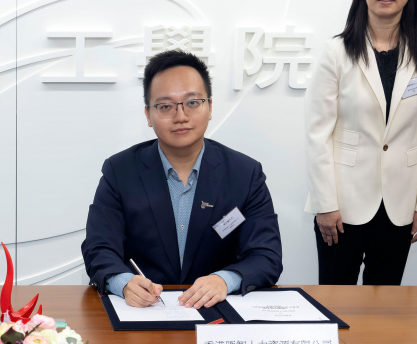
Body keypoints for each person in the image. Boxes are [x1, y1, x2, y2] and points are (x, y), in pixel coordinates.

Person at [82, 50, 282, 308]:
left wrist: (224, 280)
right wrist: (123, 282)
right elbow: (99, 248)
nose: (180, 116)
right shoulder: (119, 171)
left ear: (209, 107)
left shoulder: (245, 174)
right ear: (148, 114)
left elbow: (266, 255)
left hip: (218, 312)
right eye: (165, 106)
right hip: (144, 312)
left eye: (192, 102)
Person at [305, 0, 417, 285]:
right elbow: (317, 134)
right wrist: (325, 203)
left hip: (401, 203)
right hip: (342, 202)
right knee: (335, 298)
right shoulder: (336, 52)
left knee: (385, 305)